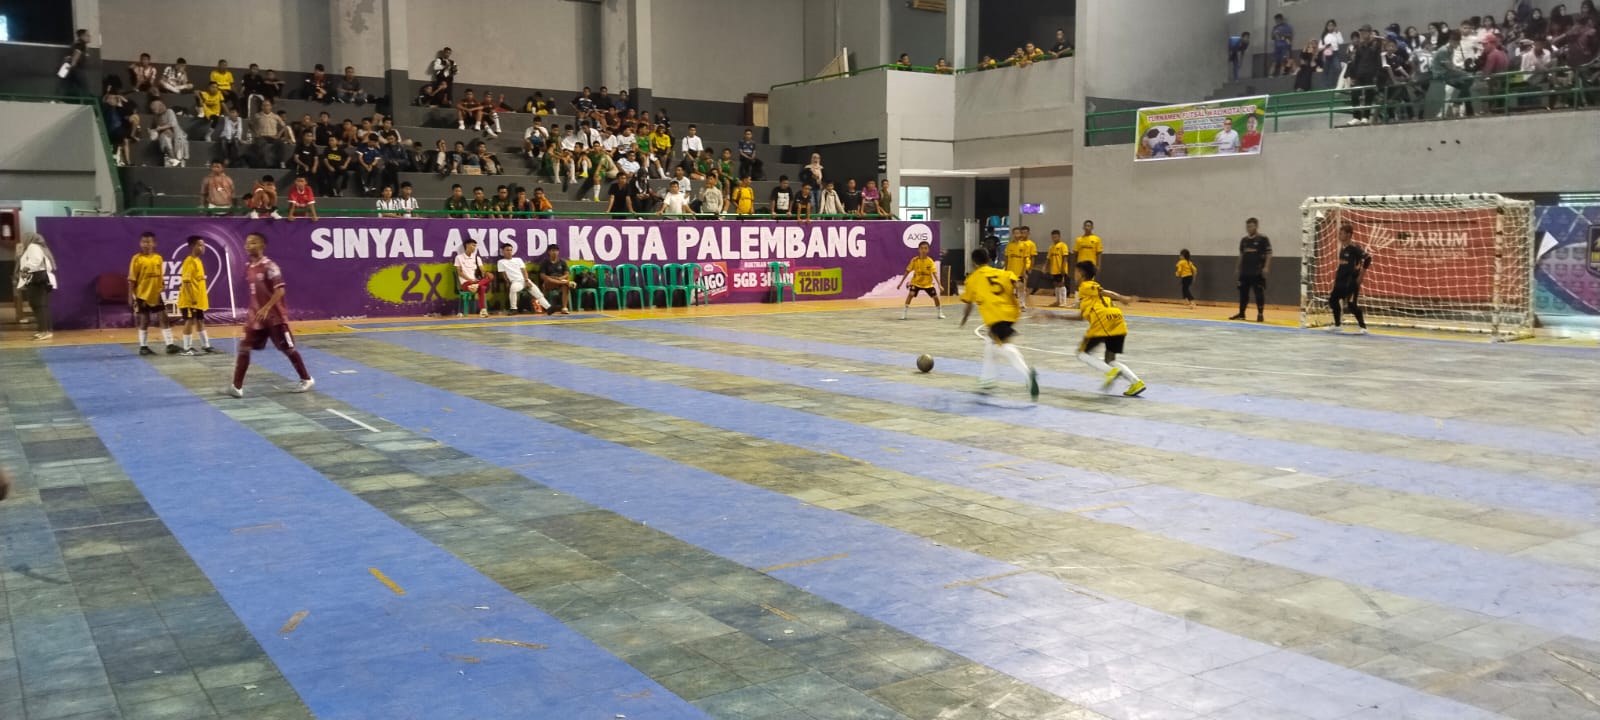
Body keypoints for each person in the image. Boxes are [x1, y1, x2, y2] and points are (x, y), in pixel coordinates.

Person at [226, 233, 313, 397]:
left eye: (253, 242)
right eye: (247, 243)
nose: (248, 246)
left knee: (288, 349)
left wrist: (266, 308)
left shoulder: (271, 267)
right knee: (244, 347)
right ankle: (236, 386)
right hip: (255, 319)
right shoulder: (249, 267)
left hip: (274, 318)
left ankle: (306, 378)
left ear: (262, 245)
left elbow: (280, 291)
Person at [1043, 261, 1146, 397]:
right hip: (1118, 322)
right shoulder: (1089, 297)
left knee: (1082, 354)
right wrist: (1056, 316)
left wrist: (1122, 298)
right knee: (1110, 360)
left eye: (1076, 272)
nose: (1074, 274)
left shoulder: (1087, 286)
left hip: (1103, 322)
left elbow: (1102, 291)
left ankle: (1110, 371)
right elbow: (1080, 317)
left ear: (1081, 274)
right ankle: (1136, 382)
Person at [958, 248, 1038, 399]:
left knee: (1004, 346)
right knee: (990, 343)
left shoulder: (972, 279)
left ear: (973, 263)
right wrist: (1029, 306)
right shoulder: (1003, 273)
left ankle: (1028, 374)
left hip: (995, 315)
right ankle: (987, 380)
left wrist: (964, 319)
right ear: (989, 259)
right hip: (1011, 312)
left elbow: (968, 303)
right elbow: (1020, 285)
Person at [128, 232, 179, 355]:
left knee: (164, 318)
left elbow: (160, 275)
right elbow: (132, 279)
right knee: (144, 320)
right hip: (142, 295)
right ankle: (143, 347)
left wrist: (162, 285)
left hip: (156, 294)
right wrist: (130, 296)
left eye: (149, 242)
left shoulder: (158, 258)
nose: (146, 244)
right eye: (144, 242)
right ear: (140, 243)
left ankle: (170, 345)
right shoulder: (137, 259)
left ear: (154, 243)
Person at [1326, 223, 1372, 333]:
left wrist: (1361, 275)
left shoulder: (1355, 248)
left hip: (1350, 282)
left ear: (1348, 235)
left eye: (1341, 233)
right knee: (1333, 300)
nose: (1339, 235)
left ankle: (1363, 327)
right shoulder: (1342, 249)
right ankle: (1337, 325)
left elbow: (1368, 258)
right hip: (1340, 281)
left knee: (1351, 305)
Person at [177, 235, 217, 355]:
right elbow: (186, 282)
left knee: (200, 321)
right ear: (192, 246)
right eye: (200, 245)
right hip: (190, 300)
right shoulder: (189, 261)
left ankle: (206, 345)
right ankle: (187, 348)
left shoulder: (198, 261)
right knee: (189, 321)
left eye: (203, 245)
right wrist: (192, 298)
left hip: (198, 300)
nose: (203, 247)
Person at [17, 233, 57, 341]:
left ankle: (44, 331)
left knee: (40, 305)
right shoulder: (38, 247)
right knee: (40, 305)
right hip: (40, 279)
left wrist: (25, 268)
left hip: (37, 279)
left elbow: (35, 260)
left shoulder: (33, 246)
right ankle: (45, 330)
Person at [1231, 217, 1272, 322]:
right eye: (1247, 226)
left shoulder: (1263, 239)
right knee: (1243, 293)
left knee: (1258, 293)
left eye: (1251, 226)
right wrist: (1238, 267)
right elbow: (1241, 254)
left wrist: (1266, 267)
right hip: (1245, 272)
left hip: (1257, 271)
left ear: (1256, 226)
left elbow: (1269, 253)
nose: (1249, 228)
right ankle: (1241, 314)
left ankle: (1260, 314)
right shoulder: (1244, 240)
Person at [497, 244, 551, 315]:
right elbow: (503, 274)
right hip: (515, 282)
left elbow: (524, 271)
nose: (509, 252)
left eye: (510, 250)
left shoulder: (518, 260)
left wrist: (526, 281)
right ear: (503, 251)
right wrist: (508, 282)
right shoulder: (501, 262)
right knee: (513, 289)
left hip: (524, 280)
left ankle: (549, 308)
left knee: (538, 294)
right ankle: (513, 309)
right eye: (507, 250)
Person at [898, 240, 943, 320]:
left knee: (935, 297)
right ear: (918, 250)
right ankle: (904, 313)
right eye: (921, 248)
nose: (923, 250)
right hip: (916, 283)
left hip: (928, 284)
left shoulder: (930, 261)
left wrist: (939, 285)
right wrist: (900, 283)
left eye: (925, 248)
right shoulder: (914, 260)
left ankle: (939, 313)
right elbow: (907, 271)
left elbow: (935, 274)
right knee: (911, 294)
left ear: (928, 250)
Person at [454, 239, 492, 317]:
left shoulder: (477, 258)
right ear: (467, 245)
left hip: (475, 283)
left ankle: (477, 286)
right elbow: (459, 273)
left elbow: (482, 270)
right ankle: (483, 310)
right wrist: (470, 279)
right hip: (466, 283)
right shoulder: (459, 257)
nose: (474, 247)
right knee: (482, 287)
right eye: (473, 245)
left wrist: (486, 273)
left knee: (491, 276)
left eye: (475, 246)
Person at [1004, 225, 1036, 309]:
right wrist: (1005, 268)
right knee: (1010, 288)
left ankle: (1022, 304)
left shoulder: (1024, 246)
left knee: (1021, 287)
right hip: (1010, 271)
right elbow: (1006, 258)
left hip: (1020, 271)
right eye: (1014, 233)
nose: (1016, 235)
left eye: (1018, 233)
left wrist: (1024, 270)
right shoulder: (1009, 245)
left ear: (1020, 234)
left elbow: (1025, 260)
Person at [539, 246, 576, 315]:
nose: (555, 252)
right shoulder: (545, 262)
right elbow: (542, 275)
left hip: (560, 280)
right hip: (549, 282)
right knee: (550, 280)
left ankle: (564, 308)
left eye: (556, 251)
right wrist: (553, 278)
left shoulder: (562, 262)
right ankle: (567, 283)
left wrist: (561, 278)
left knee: (565, 286)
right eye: (553, 251)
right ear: (549, 252)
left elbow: (567, 274)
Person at [1045, 230, 1072, 307]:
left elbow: (1065, 257)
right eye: (1053, 237)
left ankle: (1063, 301)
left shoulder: (1063, 245)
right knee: (1056, 285)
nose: (1054, 238)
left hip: (1061, 269)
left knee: (1061, 284)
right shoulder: (1051, 247)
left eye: (1056, 237)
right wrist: (1046, 267)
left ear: (1059, 237)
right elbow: (1048, 258)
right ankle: (1058, 301)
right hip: (1054, 269)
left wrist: (1063, 268)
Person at [1074, 220, 1103, 287]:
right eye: (1086, 226)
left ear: (1092, 227)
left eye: (1089, 226)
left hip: (1091, 265)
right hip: (1081, 265)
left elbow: (1098, 253)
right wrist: (1076, 266)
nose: (1087, 227)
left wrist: (1098, 265)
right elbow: (1076, 254)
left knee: (1089, 284)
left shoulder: (1097, 239)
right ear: (1083, 227)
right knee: (1079, 284)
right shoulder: (1078, 240)